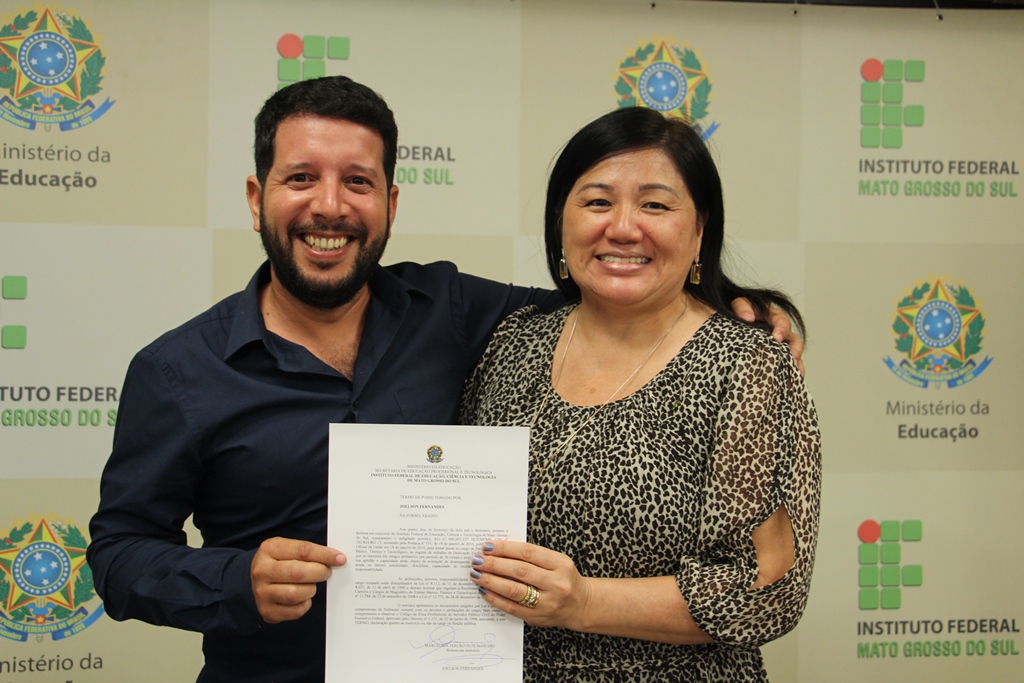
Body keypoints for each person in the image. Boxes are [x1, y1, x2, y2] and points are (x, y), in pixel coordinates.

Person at [86, 77, 802, 682]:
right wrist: (231, 580)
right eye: (301, 177)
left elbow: (611, 293)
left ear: (391, 204)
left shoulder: (457, 310)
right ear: (256, 198)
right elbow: (119, 553)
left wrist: (736, 306)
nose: (330, 206)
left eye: (358, 182)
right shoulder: (177, 370)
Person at [461, 107, 821, 681]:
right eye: (597, 202)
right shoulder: (512, 344)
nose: (624, 227)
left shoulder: (748, 366)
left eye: (655, 204)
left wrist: (583, 603)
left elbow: (766, 588)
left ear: (700, 228)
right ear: (561, 222)